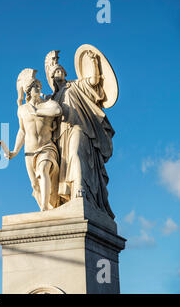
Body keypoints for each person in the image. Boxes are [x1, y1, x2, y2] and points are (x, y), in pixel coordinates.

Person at [44, 50, 115, 218]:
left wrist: (94, 63)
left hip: (78, 128)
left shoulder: (75, 86)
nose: (58, 75)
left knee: (75, 154)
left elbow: (93, 81)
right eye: (54, 73)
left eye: (60, 71)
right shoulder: (51, 99)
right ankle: (66, 197)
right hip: (60, 137)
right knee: (63, 165)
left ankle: (79, 189)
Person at [7, 69, 62, 211]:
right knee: (35, 185)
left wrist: (38, 112)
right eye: (35, 86)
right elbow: (22, 131)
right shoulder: (22, 110)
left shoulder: (47, 104)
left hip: (46, 147)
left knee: (43, 170)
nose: (38, 88)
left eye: (39, 86)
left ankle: (44, 208)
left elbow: (58, 111)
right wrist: (14, 151)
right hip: (29, 151)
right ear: (28, 91)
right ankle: (46, 206)